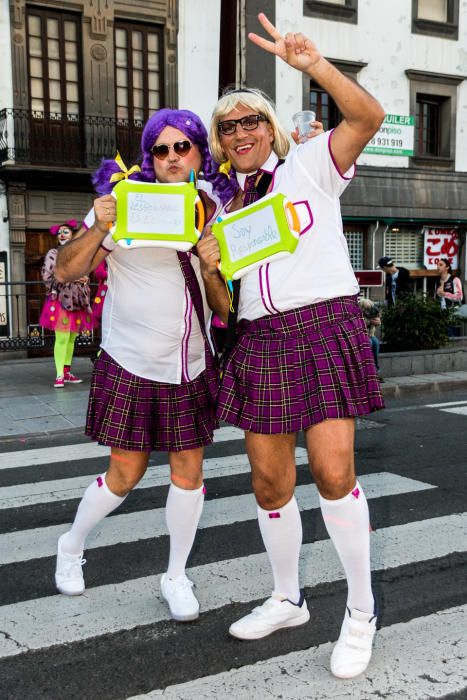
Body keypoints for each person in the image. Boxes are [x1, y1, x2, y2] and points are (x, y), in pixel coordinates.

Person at [197, 13, 385, 680]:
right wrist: (210, 266)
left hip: (323, 327)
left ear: (269, 130)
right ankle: (287, 598)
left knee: (334, 476)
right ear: (220, 143)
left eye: (251, 120)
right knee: (269, 482)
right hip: (261, 341)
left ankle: (360, 610)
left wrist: (314, 66)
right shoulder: (218, 206)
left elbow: (366, 117)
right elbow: (224, 307)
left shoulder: (310, 163)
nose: (242, 131)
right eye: (229, 125)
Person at [53, 109, 232, 623]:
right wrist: (100, 226)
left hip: (191, 364)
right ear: (149, 156)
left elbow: (223, 308)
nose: (172, 157)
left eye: (183, 147)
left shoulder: (218, 209)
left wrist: (211, 266)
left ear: (200, 151)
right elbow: (67, 269)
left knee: (189, 474)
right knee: (123, 474)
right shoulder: (124, 199)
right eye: (161, 149)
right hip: (130, 360)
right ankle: (72, 543)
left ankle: (176, 574)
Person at [39, 219, 93, 388]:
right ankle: (59, 375)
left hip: (77, 301)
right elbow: (47, 277)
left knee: (71, 338)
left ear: (72, 235)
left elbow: (85, 273)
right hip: (61, 301)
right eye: (60, 232)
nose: (62, 234)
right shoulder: (53, 254)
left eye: (66, 232)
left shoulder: (79, 253)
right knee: (61, 338)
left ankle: (67, 371)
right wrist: (69, 278)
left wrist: (85, 279)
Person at [358, 297, 382, 381]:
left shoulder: (372, 310)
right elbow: (360, 323)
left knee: (375, 342)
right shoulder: (357, 308)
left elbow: (378, 321)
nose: (368, 311)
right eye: (366, 309)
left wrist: (374, 320)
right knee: (369, 342)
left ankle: (375, 371)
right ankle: (367, 371)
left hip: (369, 334)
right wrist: (370, 321)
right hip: (359, 335)